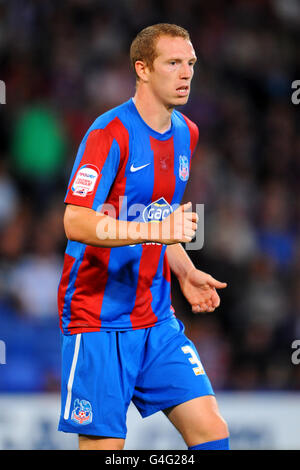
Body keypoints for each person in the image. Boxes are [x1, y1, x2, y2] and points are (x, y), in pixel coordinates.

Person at [57, 23, 230, 451]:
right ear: (143, 69)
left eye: (190, 63)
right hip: (98, 320)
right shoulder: (108, 132)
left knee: (212, 431)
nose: (186, 73)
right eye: (173, 63)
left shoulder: (186, 133)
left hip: (156, 318)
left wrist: (185, 270)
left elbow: (162, 216)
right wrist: (154, 230)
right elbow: (75, 221)